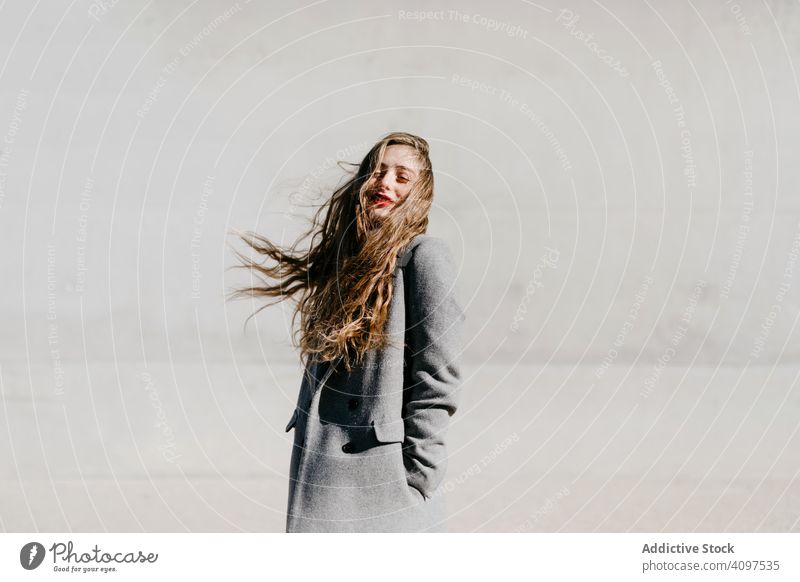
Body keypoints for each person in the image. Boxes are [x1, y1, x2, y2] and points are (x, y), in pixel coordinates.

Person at [229, 131, 465, 532]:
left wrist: (419, 476)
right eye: (376, 172)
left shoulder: (424, 258)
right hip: (326, 463)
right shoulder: (352, 265)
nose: (384, 182)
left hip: (383, 479)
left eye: (402, 177)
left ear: (420, 192)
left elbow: (439, 378)